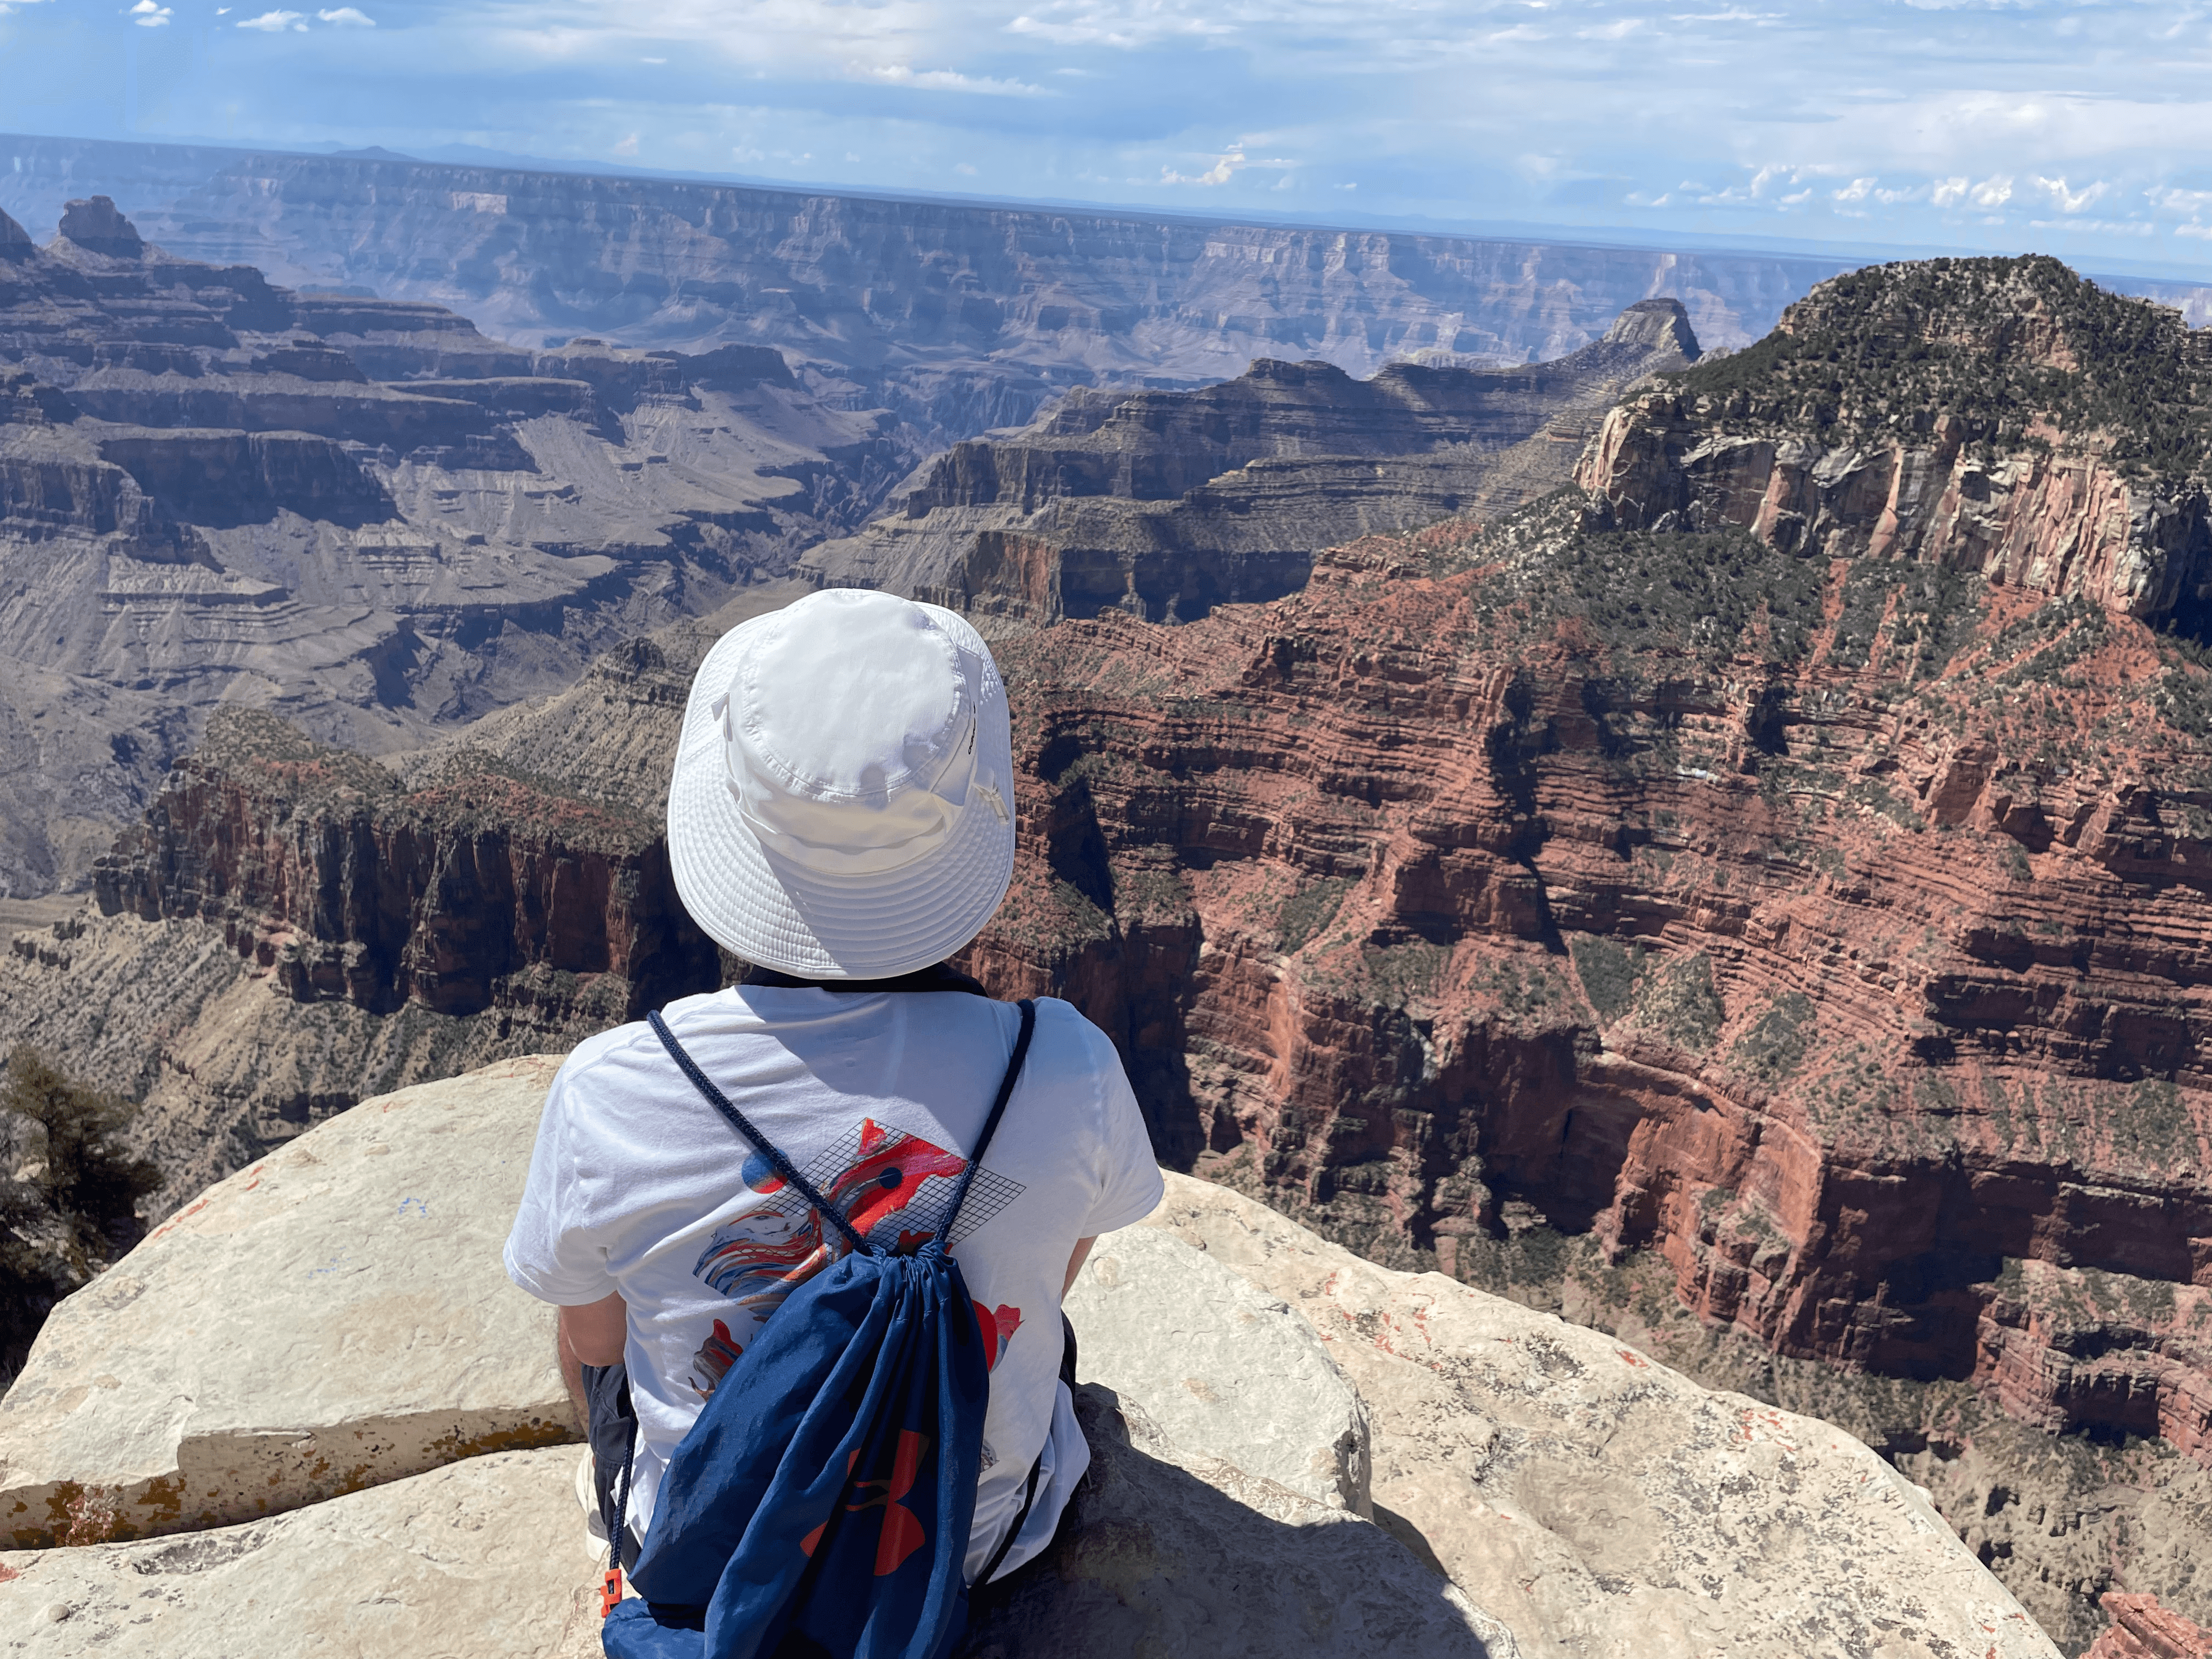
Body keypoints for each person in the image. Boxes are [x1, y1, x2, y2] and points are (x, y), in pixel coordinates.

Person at [502, 586, 1164, 1607]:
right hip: (977, 1551)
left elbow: (595, 1352)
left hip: (708, 1557)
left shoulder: (610, 1091)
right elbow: (1049, 1281)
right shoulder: (1066, 1066)